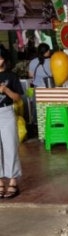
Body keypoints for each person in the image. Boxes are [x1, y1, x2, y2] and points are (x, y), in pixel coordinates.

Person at [0, 48, 23, 199]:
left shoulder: (11, 76)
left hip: (6, 113)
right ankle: (0, 182)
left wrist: (6, 90)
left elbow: (18, 98)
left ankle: (13, 181)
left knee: (10, 147)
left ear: (4, 59)